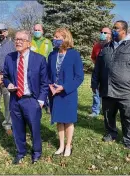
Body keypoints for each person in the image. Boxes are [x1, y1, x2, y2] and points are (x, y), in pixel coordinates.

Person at [91, 20, 130, 150]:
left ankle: (129, 140)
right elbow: (98, 67)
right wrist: (94, 83)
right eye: (113, 28)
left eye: (116, 28)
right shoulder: (106, 46)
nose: (113, 30)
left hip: (128, 91)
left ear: (124, 30)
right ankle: (111, 133)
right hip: (108, 88)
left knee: (129, 117)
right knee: (108, 114)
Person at [3, 30, 49, 164]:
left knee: (34, 129)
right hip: (15, 99)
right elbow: (5, 76)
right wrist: (9, 83)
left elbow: (44, 82)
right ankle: (21, 151)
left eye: (21, 40)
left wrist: (40, 101)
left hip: (31, 100)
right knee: (17, 129)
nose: (18, 42)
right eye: (16, 39)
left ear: (28, 43)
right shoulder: (9, 57)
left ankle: (36, 152)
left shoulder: (39, 59)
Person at [48, 28, 84, 156]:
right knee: (59, 120)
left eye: (58, 37)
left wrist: (64, 87)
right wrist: (50, 86)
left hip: (68, 93)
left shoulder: (74, 55)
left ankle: (68, 145)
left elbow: (79, 77)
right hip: (55, 93)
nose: (55, 39)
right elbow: (48, 74)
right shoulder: (52, 55)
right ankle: (61, 145)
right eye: (54, 37)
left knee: (68, 120)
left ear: (66, 38)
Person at [89, 27, 112, 118]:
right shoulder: (97, 46)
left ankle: (107, 110)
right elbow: (93, 57)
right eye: (101, 32)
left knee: (108, 93)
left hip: (109, 74)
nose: (103, 34)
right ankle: (95, 110)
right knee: (96, 92)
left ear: (110, 35)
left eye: (105, 33)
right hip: (98, 72)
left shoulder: (112, 46)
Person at [30, 23, 53, 114]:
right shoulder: (30, 41)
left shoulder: (48, 42)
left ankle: (48, 106)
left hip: (45, 68)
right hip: (33, 69)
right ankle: (35, 104)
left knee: (46, 86)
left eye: (39, 30)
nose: (37, 32)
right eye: (35, 30)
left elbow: (51, 55)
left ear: (42, 31)